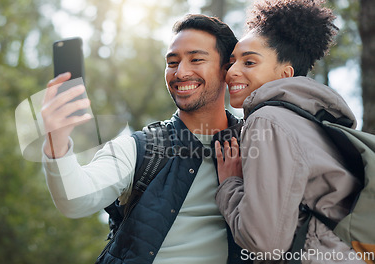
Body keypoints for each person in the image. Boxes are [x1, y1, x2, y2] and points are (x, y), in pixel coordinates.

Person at [41, 14, 248, 263]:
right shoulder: (140, 149)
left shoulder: (257, 145)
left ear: (227, 68)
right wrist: (57, 141)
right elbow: (74, 200)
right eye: (172, 62)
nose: (180, 72)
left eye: (196, 59)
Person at [214, 0, 364, 263]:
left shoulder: (268, 120)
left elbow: (263, 242)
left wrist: (229, 184)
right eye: (232, 61)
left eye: (249, 62)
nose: (231, 72)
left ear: (285, 74)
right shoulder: (312, 122)